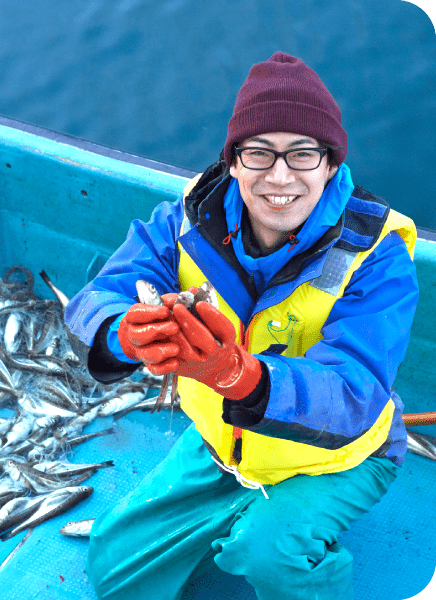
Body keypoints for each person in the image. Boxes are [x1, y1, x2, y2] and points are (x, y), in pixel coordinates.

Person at [65, 52, 419, 600]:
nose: (280, 176)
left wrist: (239, 376)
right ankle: (242, 505)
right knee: (113, 569)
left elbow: (353, 395)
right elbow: (100, 297)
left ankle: (314, 570)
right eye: (259, 153)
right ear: (233, 163)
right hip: (222, 444)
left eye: (303, 154)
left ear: (330, 163)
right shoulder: (186, 219)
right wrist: (120, 332)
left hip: (335, 456)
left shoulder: (376, 255)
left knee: (267, 553)